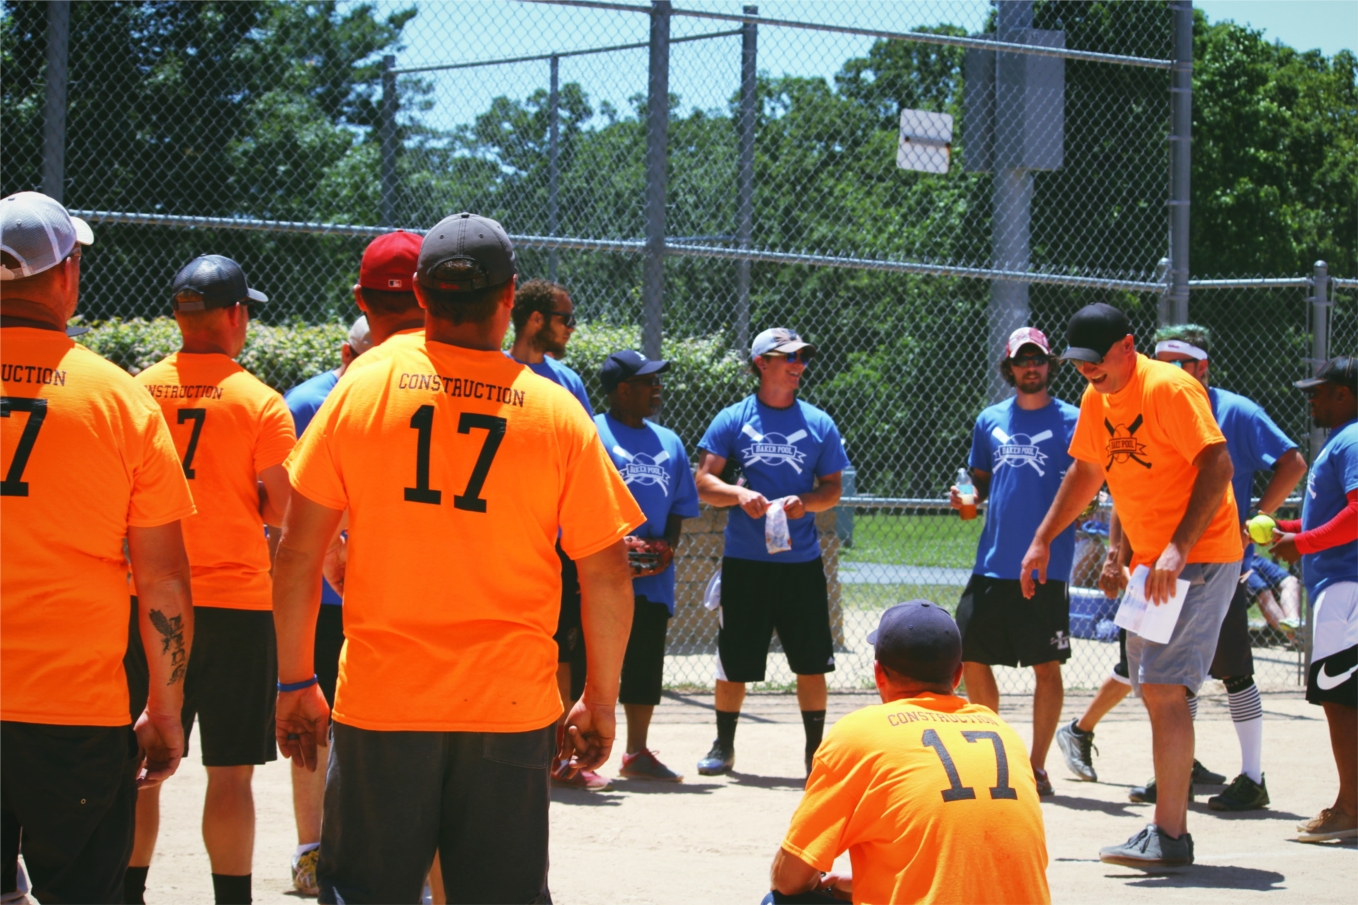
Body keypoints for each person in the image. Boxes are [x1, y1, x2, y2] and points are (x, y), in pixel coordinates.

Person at [271, 211, 644, 903]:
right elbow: (607, 570)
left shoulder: (364, 383)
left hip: (385, 698)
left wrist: (295, 678)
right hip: (508, 704)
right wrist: (598, 698)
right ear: (510, 302)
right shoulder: (555, 410)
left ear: (421, 293)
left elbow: (297, 552)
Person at [1, 191, 196, 904]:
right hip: (72, 709)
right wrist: (165, 708)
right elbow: (165, 577)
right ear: (66, 275)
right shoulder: (118, 398)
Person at [1020, 303, 1241, 867]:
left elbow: (1218, 465)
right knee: (1150, 684)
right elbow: (1087, 472)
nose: (1088, 372)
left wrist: (1178, 547)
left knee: (1166, 688)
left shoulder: (1168, 389)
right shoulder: (1099, 399)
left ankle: (1170, 835)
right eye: (1078, 364)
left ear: (1127, 345)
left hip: (1197, 555)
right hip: (1152, 562)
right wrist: (1044, 538)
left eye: (1097, 360)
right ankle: (1166, 826)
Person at [1055, 324, 1307, 812]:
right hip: (1157, 562)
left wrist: (1256, 517)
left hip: (1212, 558)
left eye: (1181, 359)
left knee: (1229, 672)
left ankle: (1249, 777)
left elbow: (1291, 461)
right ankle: (1173, 773)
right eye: (1162, 356)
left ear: (1202, 366)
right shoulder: (1136, 396)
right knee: (1151, 675)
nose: (1168, 366)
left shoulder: (1232, 408)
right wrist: (1117, 553)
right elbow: (1130, 484)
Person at [128, 254, 296, 905]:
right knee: (230, 776)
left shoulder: (135, 390)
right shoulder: (259, 401)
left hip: (148, 603)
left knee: (145, 764)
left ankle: (128, 890)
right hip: (236, 607)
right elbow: (282, 506)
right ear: (235, 316)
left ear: (178, 314)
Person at [280, 229, 422, 896]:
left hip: (364, 599)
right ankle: (313, 845)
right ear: (349, 350)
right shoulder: (314, 399)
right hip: (340, 600)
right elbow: (278, 508)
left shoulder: (334, 395)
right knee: (318, 730)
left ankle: (355, 854)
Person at [770, 601, 1050, 905]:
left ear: (879, 674)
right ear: (957, 677)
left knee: (778, 902)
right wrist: (864, 883)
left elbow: (789, 880)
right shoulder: (1002, 732)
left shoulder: (860, 734)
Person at [694, 327, 850, 777]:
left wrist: (809, 503)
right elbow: (705, 481)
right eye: (789, 357)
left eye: (803, 357)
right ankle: (724, 746)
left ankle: (815, 753)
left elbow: (833, 488)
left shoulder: (818, 422)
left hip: (800, 563)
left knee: (810, 661)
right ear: (762, 363)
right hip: (745, 562)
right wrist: (738, 496)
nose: (799, 364)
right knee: (734, 659)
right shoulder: (732, 418)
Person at [948, 326, 1079, 796]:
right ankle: (998, 755)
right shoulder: (990, 420)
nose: (1031, 368)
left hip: (1047, 565)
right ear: (1009, 368)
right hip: (993, 563)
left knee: (1046, 664)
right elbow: (977, 481)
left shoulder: (1075, 420)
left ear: (1049, 366)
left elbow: (1093, 484)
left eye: (1039, 360)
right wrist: (965, 499)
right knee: (969, 653)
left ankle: (1037, 765)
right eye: (1022, 361)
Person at [507, 278, 608, 790]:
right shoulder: (497, 373)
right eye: (566, 318)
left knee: (562, 650)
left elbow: (585, 465)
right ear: (536, 320)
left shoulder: (566, 382)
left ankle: (559, 754)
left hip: (555, 543)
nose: (572, 327)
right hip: (506, 536)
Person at [594, 350, 701, 782]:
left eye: (657, 381)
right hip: (600, 571)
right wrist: (612, 545)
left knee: (644, 664)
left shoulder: (669, 441)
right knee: (589, 662)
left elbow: (680, 505)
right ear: (623, 390)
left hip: (652, 578)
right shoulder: (593, 433)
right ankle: (572, 748)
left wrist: (666, 547)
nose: (656, 389)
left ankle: (636, 752)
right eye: (647, 382)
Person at [1270, 356, 1358, 842]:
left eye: (1319, 391)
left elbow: (1357, 513)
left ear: (1343, 394)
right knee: (1342, 696)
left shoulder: (1352, 438)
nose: (1311, 399)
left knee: (1340, 697)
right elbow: (1333, 517)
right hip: (1341, 583)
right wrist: (1288, 531)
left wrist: (1299, 545)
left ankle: (1349, 807)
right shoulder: (1344, 440)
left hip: (1346, 587)